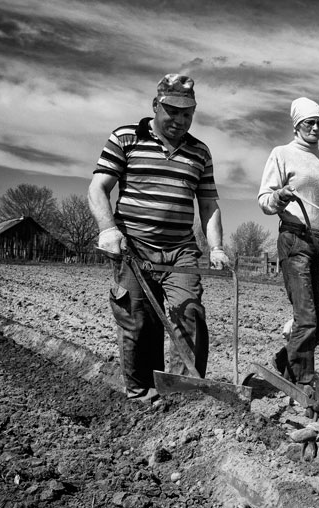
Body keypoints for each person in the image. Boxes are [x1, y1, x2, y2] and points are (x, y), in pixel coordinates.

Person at [88, 73, 230, 402]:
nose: (180, 120)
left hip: (181, 251)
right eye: (172, 111)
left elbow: (208, 205)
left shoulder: (200, 152)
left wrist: (217, 247)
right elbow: (98, 187)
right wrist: (108, 229)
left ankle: (183, 396)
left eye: (187, 113)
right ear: (156, 105)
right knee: (139, 322)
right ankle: (141, 395)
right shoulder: (125, 138)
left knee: (189, 313)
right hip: (134, 249)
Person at [258, 97, 319, 390]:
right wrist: (279, 196)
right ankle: (305, 383)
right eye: (309, 122)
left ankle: (286, 360)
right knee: (307, 318)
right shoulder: (281, 153)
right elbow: (264, 200)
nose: (315, 127)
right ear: (297, 124)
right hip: (295, 239)